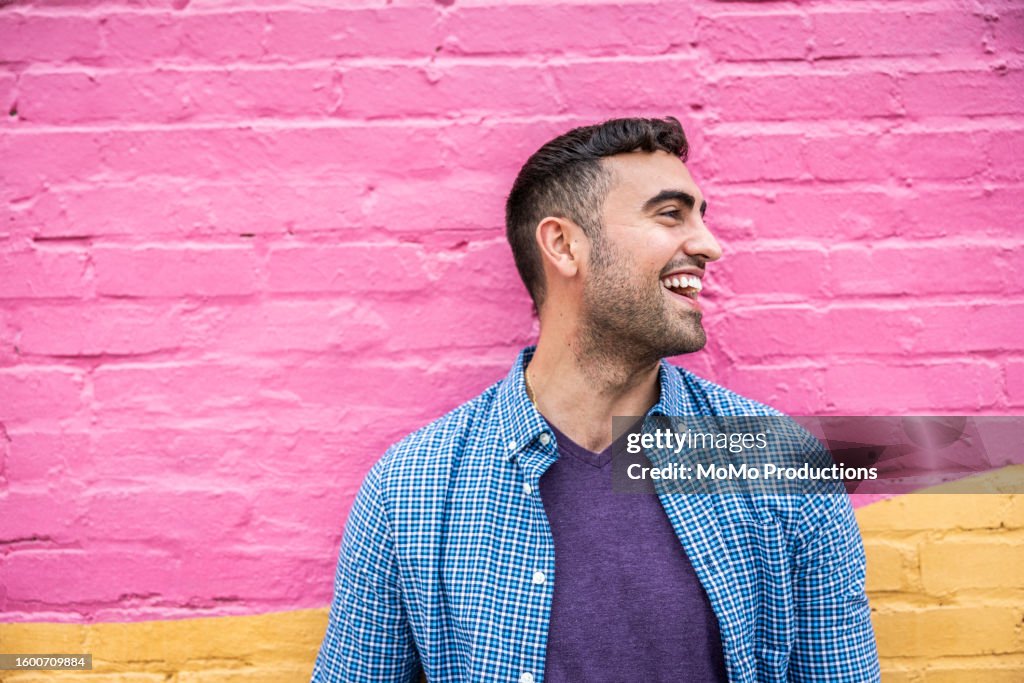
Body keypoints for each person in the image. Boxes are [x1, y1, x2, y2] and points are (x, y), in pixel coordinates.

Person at [310, 117, 881, 682]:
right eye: (669, 214)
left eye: (701, 217)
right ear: (563, 245)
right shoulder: (413, 490)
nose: (709, 245)